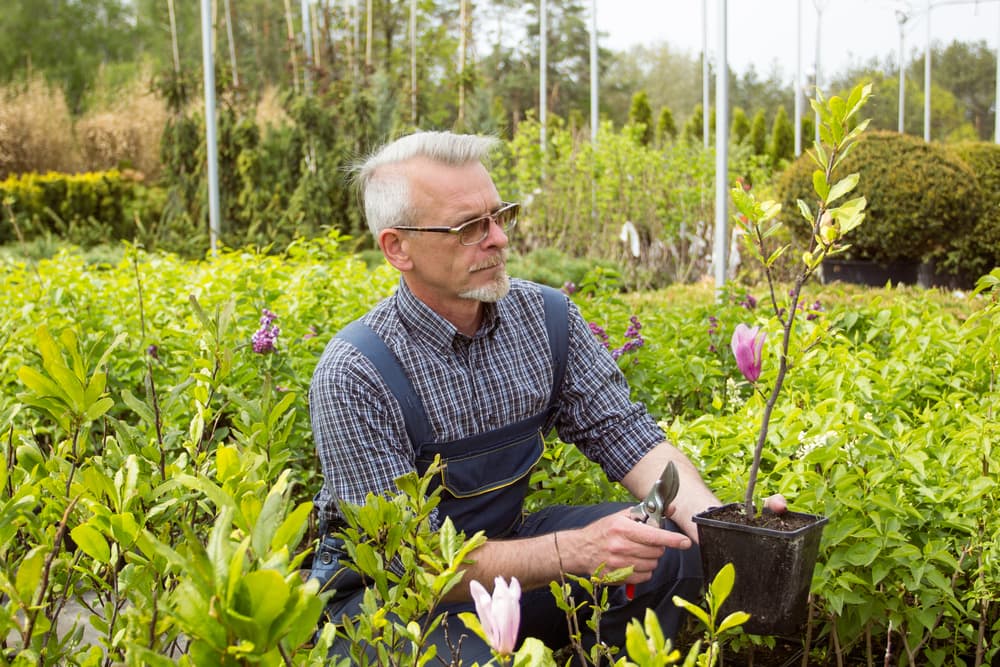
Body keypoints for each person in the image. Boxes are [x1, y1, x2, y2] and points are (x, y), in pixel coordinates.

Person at [308, 130, 781, 662]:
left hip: (509, 559)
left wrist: (720, 527)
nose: (498, 240)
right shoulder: (357, 371)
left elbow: (624, 434)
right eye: (469, 227)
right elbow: (412, 564)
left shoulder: (544, 319)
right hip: (394, 601)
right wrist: (575, 551)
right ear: (398, 248)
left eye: (499, 216)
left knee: (672, 551)